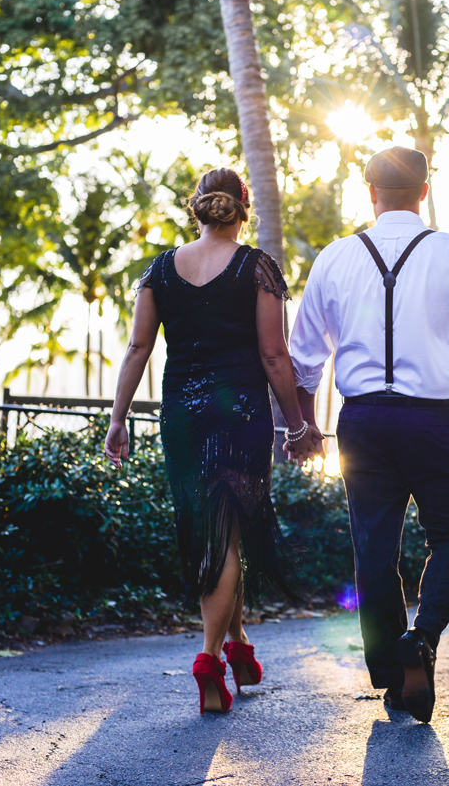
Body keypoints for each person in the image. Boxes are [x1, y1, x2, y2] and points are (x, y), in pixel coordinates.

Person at [290, 147, 449, 723]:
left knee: (374, 549)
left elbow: (303, 360)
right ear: (424, 192)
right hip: (437, 421)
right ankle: (420, 639)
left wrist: (306, 427)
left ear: (369, 193)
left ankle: (394, 679)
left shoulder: (335, 258)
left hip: (364, 422)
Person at [104, 168, 319, 715]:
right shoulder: (256, 268)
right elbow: (274, 356)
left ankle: (238, 647)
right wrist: (296, 424)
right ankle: (208, 660)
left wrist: (118, 419)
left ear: (196, 207)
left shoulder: (159, 270)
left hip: (180, 417)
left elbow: (137, 350)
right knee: (227, 535)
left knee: (215, 532)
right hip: (239, 414)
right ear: (243, 207)